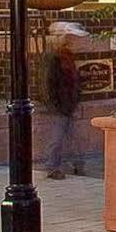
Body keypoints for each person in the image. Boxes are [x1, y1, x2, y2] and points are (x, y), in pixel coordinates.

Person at [43, 27, 82, 179]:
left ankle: (77, 163)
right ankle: (52, 166)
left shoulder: (68, 57)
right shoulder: (54, 59)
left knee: (70, 136)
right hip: (60, 105)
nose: (70, 42)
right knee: (57, 138)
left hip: (68, 103)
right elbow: (50, 84)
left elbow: (74, 81)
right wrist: (55, 103)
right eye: (67, 39)